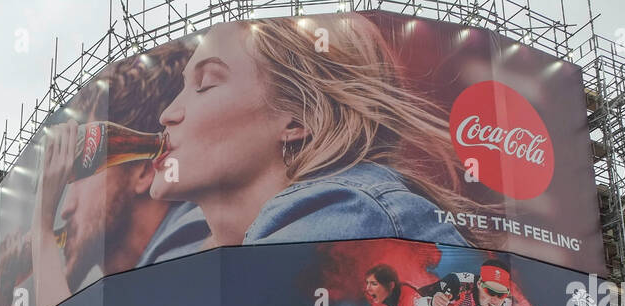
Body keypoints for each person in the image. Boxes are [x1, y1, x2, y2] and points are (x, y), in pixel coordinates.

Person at [148, 16, 469, 249]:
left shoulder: (350, 212)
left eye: (204, 85)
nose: (167, 115)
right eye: (183, 85)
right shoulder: (183, 232)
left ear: (299, 119)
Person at [28, 41, 210, 306]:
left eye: (78, 176)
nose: (64, 209)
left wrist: (41, 230)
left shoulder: (192, 251)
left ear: (143, 170)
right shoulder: (138, 290)